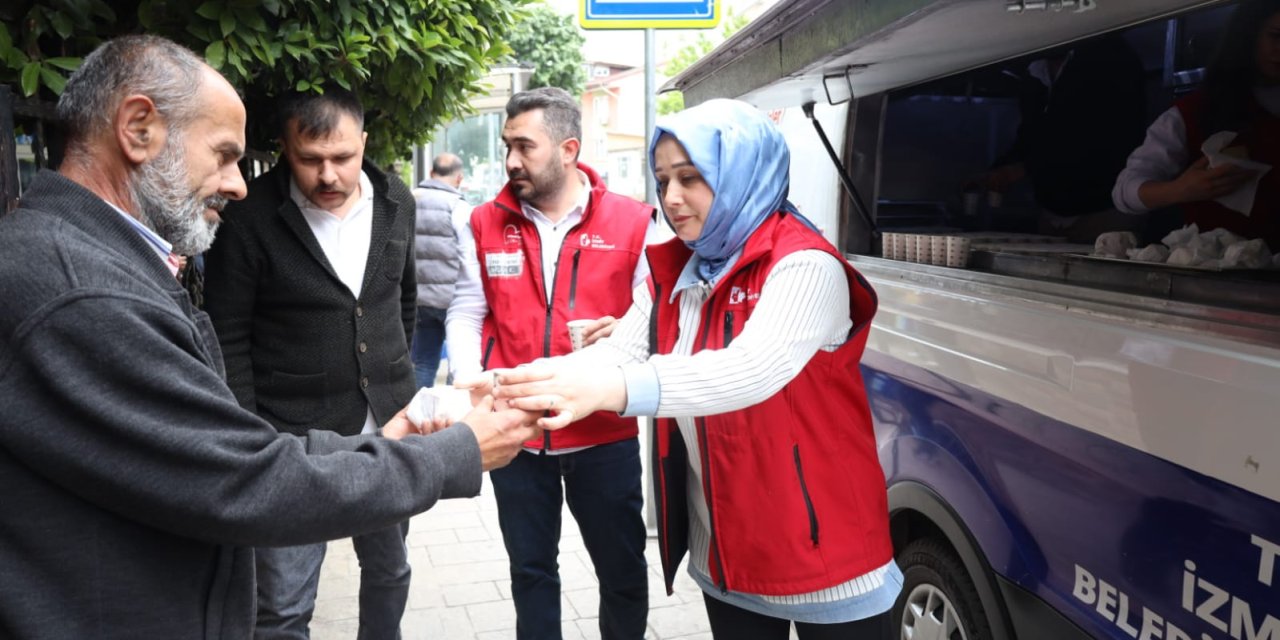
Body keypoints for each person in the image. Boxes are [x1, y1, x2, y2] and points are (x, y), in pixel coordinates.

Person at [0, 35, 538, 640]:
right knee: (283, 609)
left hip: (363, 431)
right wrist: (453, 454)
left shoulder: (85, 257)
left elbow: (208, 458)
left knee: (388, 571)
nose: (236, 183)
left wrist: (392, 432)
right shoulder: (84, 294)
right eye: (225, 154)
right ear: (138, 128)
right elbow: (241, 480)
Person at [489, 99, 901, 640]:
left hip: (825, 553)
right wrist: (516, 384)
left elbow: (751, 369)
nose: (671, 198)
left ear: (742, 174)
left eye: (691, 177)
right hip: (726, 552)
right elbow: (618, 352)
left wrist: (612, 390)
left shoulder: (805, 264)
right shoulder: (679, 270)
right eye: (662, 180)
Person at [201, 89, 421, 640]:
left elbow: (404, 299)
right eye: (310, 159)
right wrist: (251, 435)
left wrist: (395, 379)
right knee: (282, 604)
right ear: (283, 149)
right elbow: (227, 334)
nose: (328, 175)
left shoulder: (396, 198)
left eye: (342, 158)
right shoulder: (249, 216)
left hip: (388, 430)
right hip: (290, 440)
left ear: (363, 144)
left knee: (390, 571)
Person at [445, 87, 653, 639]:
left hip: (605, 434)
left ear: (568, 149)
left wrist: (626, 335)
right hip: (516, 432)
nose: (511, 160)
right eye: (507, 145)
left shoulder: (636, 222)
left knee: (624, 573)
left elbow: (654, 322)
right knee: (531, 573)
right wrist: (473, 379)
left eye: (524, 146)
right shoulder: (484, 221)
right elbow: (468, 310)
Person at [1112, 0, 1280, 248]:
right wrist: (1179, 190)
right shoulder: (1195, 111)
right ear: (1248, 36)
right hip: (1217, 269)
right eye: (1275, 36)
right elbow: (1124, 192)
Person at [976, 35, 1148, 242]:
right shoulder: (1036, 70)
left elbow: (1099, 137)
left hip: (1104, 210)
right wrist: (998, 170)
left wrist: (1024, 168)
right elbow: (1031, 136)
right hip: (1052, 211)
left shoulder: (1111, 58)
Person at [410, 152, 469, 388]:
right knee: (459, 365)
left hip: (420, 301)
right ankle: (453, 418)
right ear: (459, 178)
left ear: (432, 174)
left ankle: (418, 415)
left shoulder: (411, 200)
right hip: (452, 302)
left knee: (424, 362)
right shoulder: (459, 207)